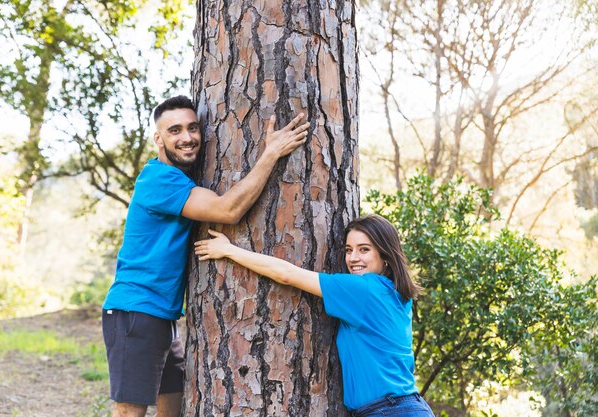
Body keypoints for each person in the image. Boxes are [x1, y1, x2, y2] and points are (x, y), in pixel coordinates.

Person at [102, 95, 310, 417]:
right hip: (135, 312)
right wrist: (271, 153)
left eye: (192, 128)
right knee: (130, 412)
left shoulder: (177, 179)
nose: (186, 137)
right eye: (174, 130)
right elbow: (228, 209)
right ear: (159, 139)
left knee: (171, 406)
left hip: (160, 316)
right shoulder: (159, 180)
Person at [194, 214, 436, 417]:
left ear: (385, 255)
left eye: (364, 250)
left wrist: (229, 250)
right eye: (349, 250)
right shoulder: (393, 292)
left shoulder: (365, 289)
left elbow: (286, 274)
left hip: (390, 410)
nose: (353, 259)